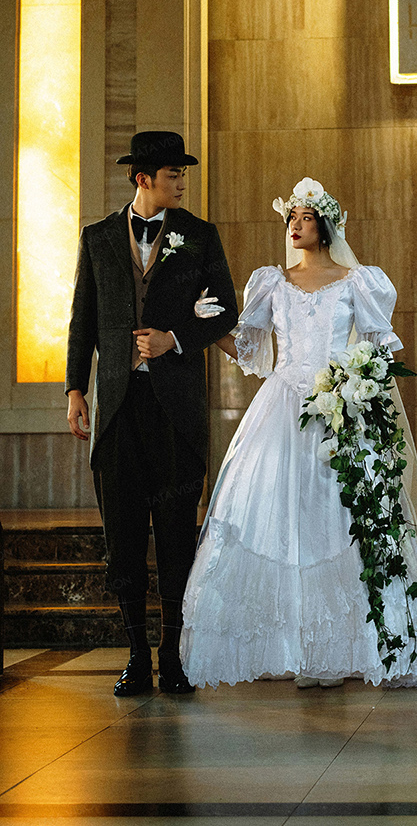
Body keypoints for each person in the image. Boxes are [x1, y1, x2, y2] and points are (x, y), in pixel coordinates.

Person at [180, 178, 417, 690]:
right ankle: (297, 647)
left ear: (325, 226)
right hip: (281, 408)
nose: (295, 226)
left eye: (305, 218)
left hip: (340, 406)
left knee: (341, 521)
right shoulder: (271, 283)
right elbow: (250, 351)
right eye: (291, 218)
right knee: (282, 522)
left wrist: (360, 386)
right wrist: (207, 327)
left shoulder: (357, 282)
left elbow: (380, 351)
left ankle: (344, 648)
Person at [65, 131, 239, 696]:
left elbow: (226, 312)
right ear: (144, 178)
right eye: (173, 174)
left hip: (176, 411)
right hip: (117, 408)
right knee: (122, 534)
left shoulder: (200, 235)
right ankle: (137, 656)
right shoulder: (97, 238)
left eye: (182, 174)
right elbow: (82, 319)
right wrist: (75, 389)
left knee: (175, 534)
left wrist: (175, 338)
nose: (182, 183)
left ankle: (173, 656)